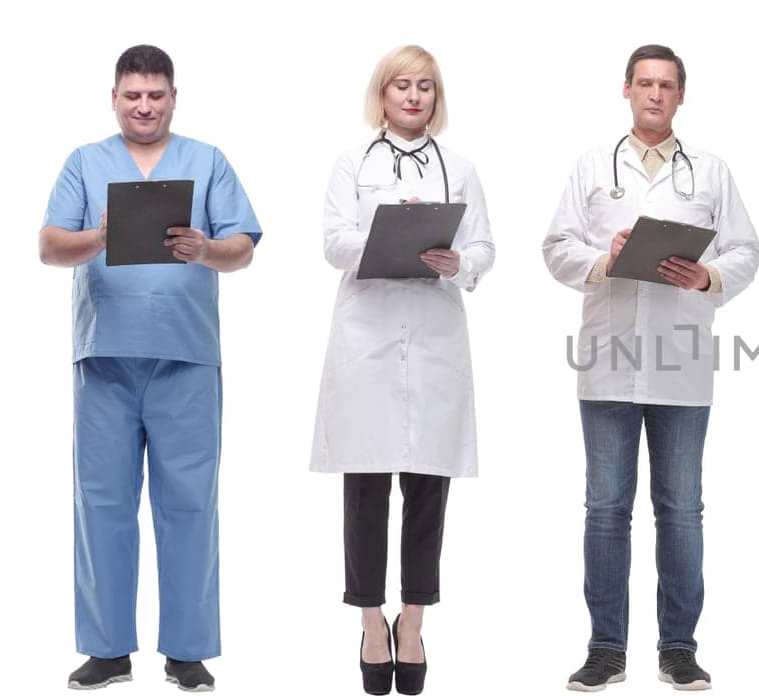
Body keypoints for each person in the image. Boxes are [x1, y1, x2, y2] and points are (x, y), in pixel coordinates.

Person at [38, 44, 261, 692]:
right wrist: (100, 237)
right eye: (133, 95)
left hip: (185, 359)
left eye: (156, 95)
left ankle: (187, 650)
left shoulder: (208, 161)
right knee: (103, 504)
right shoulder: (85, 164)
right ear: (115, 98)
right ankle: (108, 649)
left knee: (190, 505)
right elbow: (51, 245)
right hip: (105, 360)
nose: (144, 106)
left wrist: (206, 248)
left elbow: (241, 248)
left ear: (172, 98)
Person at [543, 43, 759, 692]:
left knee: (682, 509)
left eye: (667, 85)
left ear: (682, 95)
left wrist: (708, 274)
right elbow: (555, 249)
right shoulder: (591, 167)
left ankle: (679, 649)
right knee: (606, 507)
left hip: (682, 363)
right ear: (626, 90)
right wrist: (603, 257)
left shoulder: (711, 172)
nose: (655, 95)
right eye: (644, 83)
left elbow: (749, 250)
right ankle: (606, 648)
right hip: (608, 362)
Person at [309, 45, 495, 696]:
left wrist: (457, 263)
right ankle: (369, 620)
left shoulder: (460, 168)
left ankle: (413, 620)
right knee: (364, 487)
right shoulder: (351, 164)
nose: (413, 97)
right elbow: (334, 240)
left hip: (435, 330)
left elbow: (483, 247)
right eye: (401, 86)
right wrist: (391, 240)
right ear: (381, 95)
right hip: (368, 335)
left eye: (425, 87)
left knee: (426, 488)